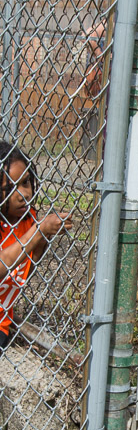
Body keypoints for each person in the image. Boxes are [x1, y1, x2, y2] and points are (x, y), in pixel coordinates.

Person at [0, 142, 72, 350]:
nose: (23, 194)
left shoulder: (27, 221)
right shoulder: (32, 227)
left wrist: (44, 237)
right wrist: (39, 231)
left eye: (25, 182)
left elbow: (24, 271)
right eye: (10, 188)